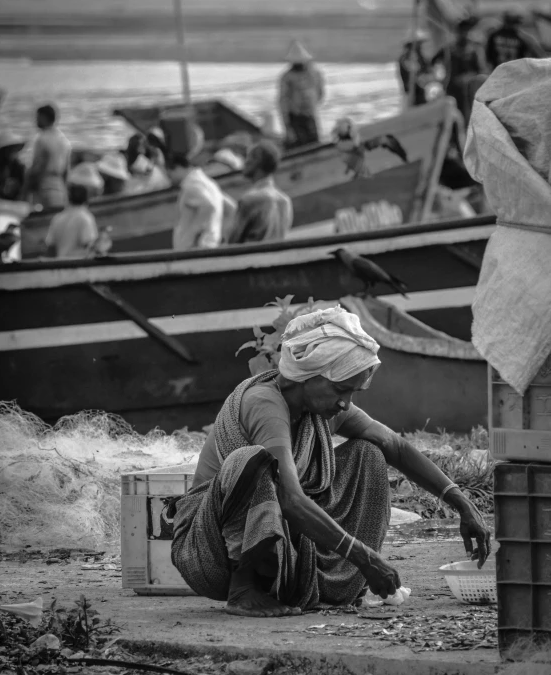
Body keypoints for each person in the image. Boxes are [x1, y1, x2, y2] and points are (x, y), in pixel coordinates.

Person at [171, 306, 491, 616]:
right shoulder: (265, 403)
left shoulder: (319, 406)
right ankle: (244, 590)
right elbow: (292, 500)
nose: (344, 403)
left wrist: (459, 500)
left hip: (285, 547)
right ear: (309, 376)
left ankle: (338, 586)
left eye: (352, 393)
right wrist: (363, 556)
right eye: (341, 390)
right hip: (210, 554)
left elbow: (393, 444)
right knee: (254, 461)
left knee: (369, 454)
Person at [172, 123, 231, 251]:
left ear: (176, 168)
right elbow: (230, 208)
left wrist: (199, 237)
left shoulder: (191, 185)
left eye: (169, 173)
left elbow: (210, 205)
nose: (169, 178)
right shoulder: (207, 181)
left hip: (196, 252)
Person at [228, 141, 293, 244]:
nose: (245, 162)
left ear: (257, 161)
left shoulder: (249, 200)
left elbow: (232, 243)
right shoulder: (285, 200)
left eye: (248, 157)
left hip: (251, 258)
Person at [432, 17, 487, 124]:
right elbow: (433, 62)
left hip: (469, 89)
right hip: (452, 87)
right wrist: (438, 76)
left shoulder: (475, 49)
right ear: (458, 32)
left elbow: (481, 70)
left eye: (467, 31)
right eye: (463, 31)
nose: (465, 34)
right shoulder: (449, 49)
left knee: (469, 116)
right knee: (452, 116)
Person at [279, 40, 324, 149]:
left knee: (314, 143)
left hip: (309, 115)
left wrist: (310, 106)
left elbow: (320, 93)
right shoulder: (287, 77)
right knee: (298, 145)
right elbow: (283, 101)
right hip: (295, 116)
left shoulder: (314, 74)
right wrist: (287, 125)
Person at [25, 104, 71, 209]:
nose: (35, 120)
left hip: (44, 185)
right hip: (60, 186)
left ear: (44, 118)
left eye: (38, 117)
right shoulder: (64, 140)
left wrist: (26, 189)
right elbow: (66, 171)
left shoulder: (42, 139)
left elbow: (38, 167)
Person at [45, 182, 98, 259]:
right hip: (79, 266)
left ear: (68, 198)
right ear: (86, 199)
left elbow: (50, 249)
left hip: (59, 266)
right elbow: (90, 247)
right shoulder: (86, 218)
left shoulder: (57, 218)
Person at [398, 29, 434, 106]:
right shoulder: (405, 58)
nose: (420, 46)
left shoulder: (421, 58)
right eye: (419, 43)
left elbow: (429, 71)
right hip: (412, 94)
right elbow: (414, 75)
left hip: (422, 93)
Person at [0, 130, 26, 200]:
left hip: (14, 201)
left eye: (15, 149)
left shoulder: (19, 167)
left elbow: (24, 186)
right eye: (11, 149)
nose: (14, 151)